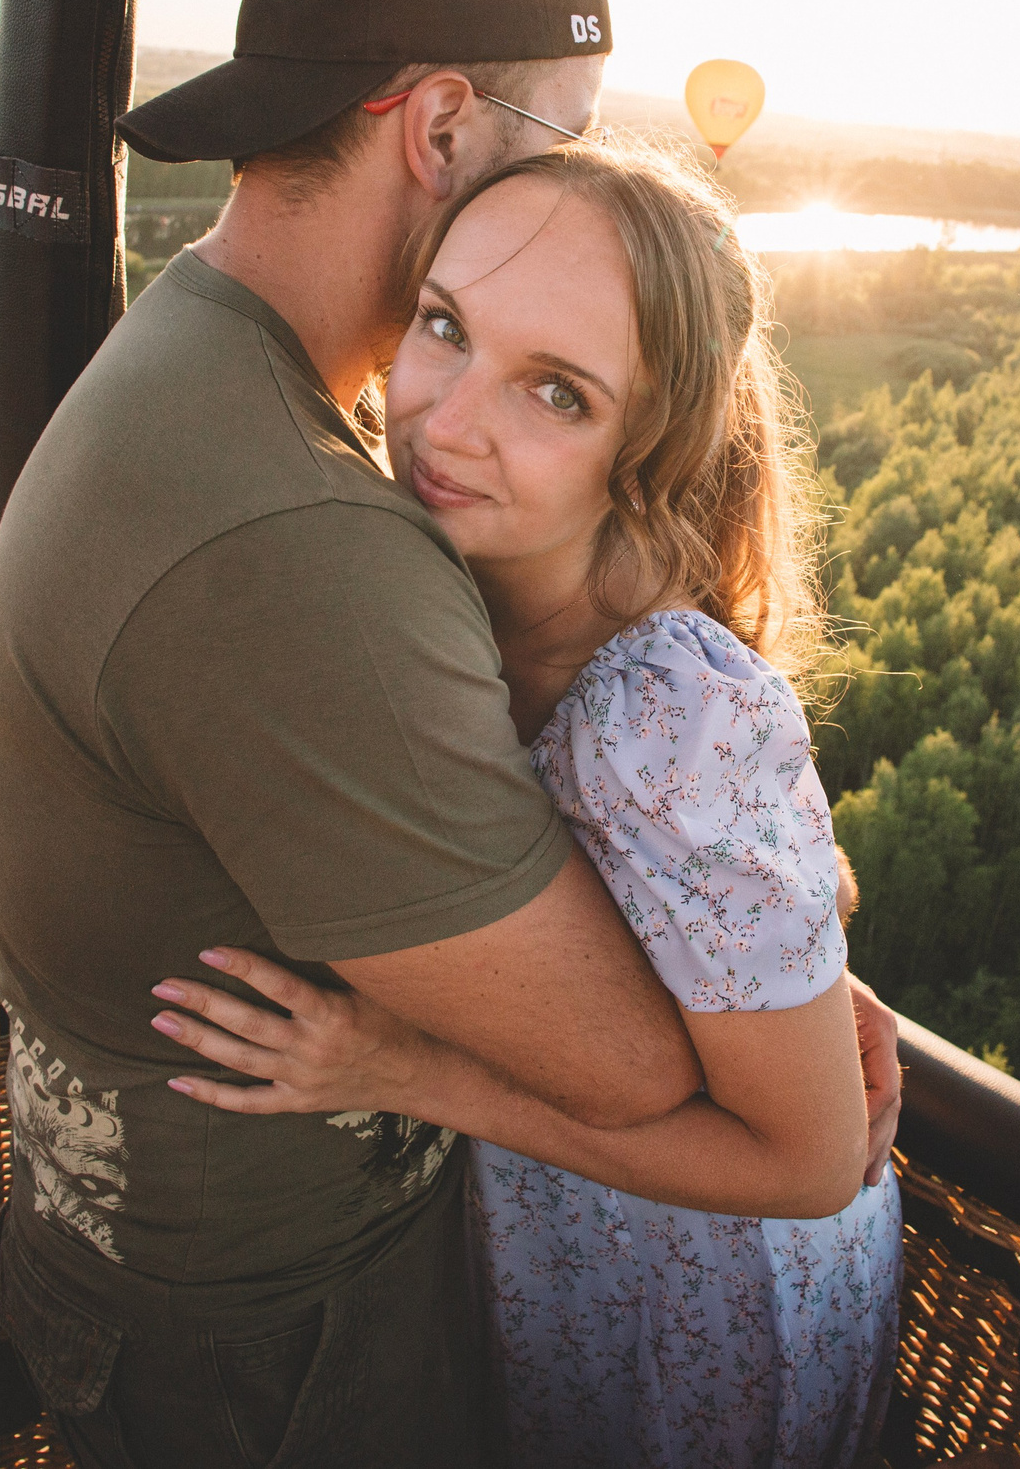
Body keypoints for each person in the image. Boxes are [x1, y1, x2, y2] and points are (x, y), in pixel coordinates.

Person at [0, 0, 899, 1466]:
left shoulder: (201, 356)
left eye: (563, 390)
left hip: (222, 1297)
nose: (577, 192)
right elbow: (631, 1060)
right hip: (280, 1355)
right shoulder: (294, 525)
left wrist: (776, 958)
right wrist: (754, 1005)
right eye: (567, 138)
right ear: (441, 127)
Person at [151, 137, 903, 1468]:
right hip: (575, 1265)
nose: (445, 420)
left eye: (557, 392)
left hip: (709, 1311)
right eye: (443, 326)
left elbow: (805, 1159)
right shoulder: (458, 600)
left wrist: (403, 1068)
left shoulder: (665, 705)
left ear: (644, 448)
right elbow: (776, 881)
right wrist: (791, 973)